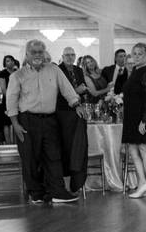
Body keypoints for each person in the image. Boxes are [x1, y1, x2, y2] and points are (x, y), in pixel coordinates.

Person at [5, 39, 88, 204]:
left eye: (40, 52)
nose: (37, 55)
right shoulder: (18, 75)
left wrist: (76, 105)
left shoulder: (54, 69)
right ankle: (36, 193)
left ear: (44, 54)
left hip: (50, 120)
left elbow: (67, 89)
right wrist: (15, 124)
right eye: (33, 52)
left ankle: (57, 191)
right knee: (30, 157)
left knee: (53, 156)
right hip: (27, 120)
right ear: (27, 54)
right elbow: (11, 100)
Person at [121, 43, 146, 198]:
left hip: (143, 117)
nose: (136, 56)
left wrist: (144, 121)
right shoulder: (136, 71)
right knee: (133, 149)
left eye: (140, 54)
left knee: (144, 149)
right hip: (131, 116)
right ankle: (142, 183)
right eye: (134, 53)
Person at [56, 46, 89, 193]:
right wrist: (76, 92)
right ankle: (65, 181)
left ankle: (77, 182)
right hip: (62, 113)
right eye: (67, 55)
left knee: (78, 146)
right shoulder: (58, 70)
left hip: (77, 113)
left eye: (72, 55)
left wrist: (81, 94)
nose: (70, 57)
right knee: (67, 147)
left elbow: (83, 90)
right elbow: (58, 93)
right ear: (62, 57)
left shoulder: (78, 70)